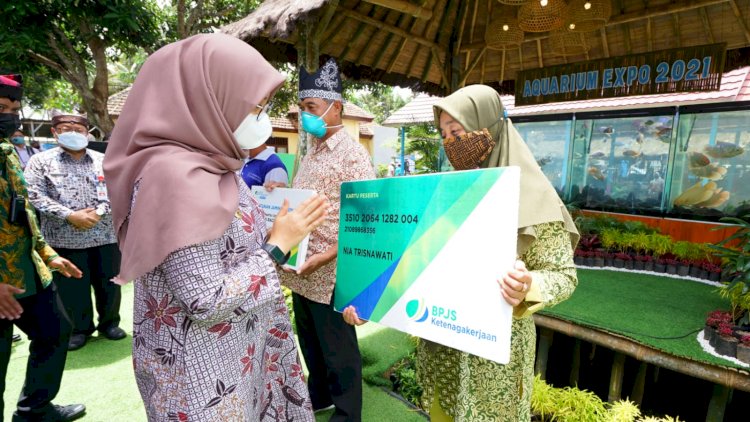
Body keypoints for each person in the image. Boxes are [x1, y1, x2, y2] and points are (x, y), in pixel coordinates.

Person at [103, 34, 326, 421]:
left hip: (237, 354)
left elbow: (227, 246)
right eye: (255, 108)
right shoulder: (174, 177)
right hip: (206, 376)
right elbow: (205, 300)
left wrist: (275, 231)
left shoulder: (214, 163)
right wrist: (277, 246)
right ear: (206, 98)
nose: (262, 119)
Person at [343, 84, 579, 421]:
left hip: (496, 359)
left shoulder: (535, 197)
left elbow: (564, 275)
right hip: (443, 346)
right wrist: (373, 304)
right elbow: (416, 264)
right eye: (444, 134)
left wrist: (529, 285)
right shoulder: (447, 194)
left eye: (458, 131)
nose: (451, 142)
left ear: (491, 127)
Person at [280, 57, 375, 422]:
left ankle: (349, 412)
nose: (305, 116)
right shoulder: (312, 152)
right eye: (303, 108)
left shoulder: (354, 157)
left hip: (331, 271)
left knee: (339, 350)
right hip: (302, 269)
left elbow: (367, 222)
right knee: (312, 344)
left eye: (311, 108)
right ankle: (318, 396)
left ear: (336, 108)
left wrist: (326, 255)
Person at [0, 73, 86, 421]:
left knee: (54, 330)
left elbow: (20, 214)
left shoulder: (6, 152)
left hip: (27, 270)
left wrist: (48, 254)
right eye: (2, 107)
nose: (11, 115)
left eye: (14, 108)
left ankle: (35, 408)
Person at [24, 112, 126, 351]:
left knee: (109, 283)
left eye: (78, 129)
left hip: (104, 235)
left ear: (87, 132)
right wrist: (70, 215)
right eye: (65, 127)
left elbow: (120, 189)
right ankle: (80, 329)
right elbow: (34, 194)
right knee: (72, 287)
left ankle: (110, 323)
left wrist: (99, 213)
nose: (73, 132)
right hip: (64, 237)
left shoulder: (104, 159)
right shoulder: (41, 161)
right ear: (54, 131)